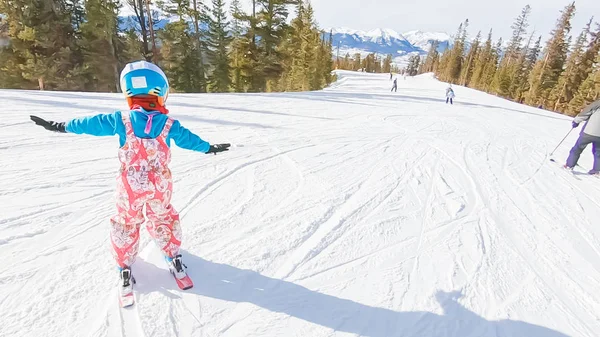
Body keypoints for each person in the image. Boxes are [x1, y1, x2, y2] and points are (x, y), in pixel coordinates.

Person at [30, 61, 231, 297]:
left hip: (129, 186)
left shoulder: (121, 120)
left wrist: (61, 126)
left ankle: (125, 266)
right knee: (162, 217)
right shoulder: (168, 124)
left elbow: (90, 124)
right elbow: (190, 139)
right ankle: (173, 255)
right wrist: (208, 148)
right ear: (161, 94)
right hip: (160, 185)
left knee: (126, 222)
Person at [564, 99, 600, 175]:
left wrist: (576, 121)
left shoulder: (598, 103)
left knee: (577, 148)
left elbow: (586, 112)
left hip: (589, 131)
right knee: (598, 152)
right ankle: (597, 170)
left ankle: (569, 165)